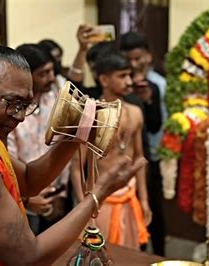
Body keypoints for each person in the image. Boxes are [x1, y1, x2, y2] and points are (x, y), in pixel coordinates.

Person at [0, 40, 146, 265]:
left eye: (26, 105)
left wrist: (77, 134)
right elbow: (28, 256)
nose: (20, 116)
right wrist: (98, 193)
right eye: (13, 103)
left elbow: (29, 181)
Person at [71, 51, 152, 250]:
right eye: (122, 76)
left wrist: (144, 200)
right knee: (102, 255)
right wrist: (85, 208)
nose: (129, 81)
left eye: (129, 75)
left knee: (131, 256)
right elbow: (75, 167)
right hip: (100, 201)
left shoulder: (135, 112)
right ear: (104, 80)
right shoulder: (91, 115)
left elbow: (139, 158)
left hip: (129, 197)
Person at [8, 43, 72, 234]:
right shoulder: (11, 111)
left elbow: (63, 144)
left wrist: (62, 193)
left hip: (56, 195)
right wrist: (27, 199)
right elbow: (7, 162)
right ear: (26, 76)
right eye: (43, 73)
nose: (51, 78)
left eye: (52, 71)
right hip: (22, 201)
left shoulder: (55, 102)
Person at [121, 31, 167, 256]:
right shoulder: (122, 84)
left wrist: (148, 100)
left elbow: (156, 125)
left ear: (148, 56)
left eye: (138, 58)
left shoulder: (158, 85)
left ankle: (159, 256)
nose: (133, 64)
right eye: (128, 59)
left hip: (152, 157)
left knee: (155, 212)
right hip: (127, 159)